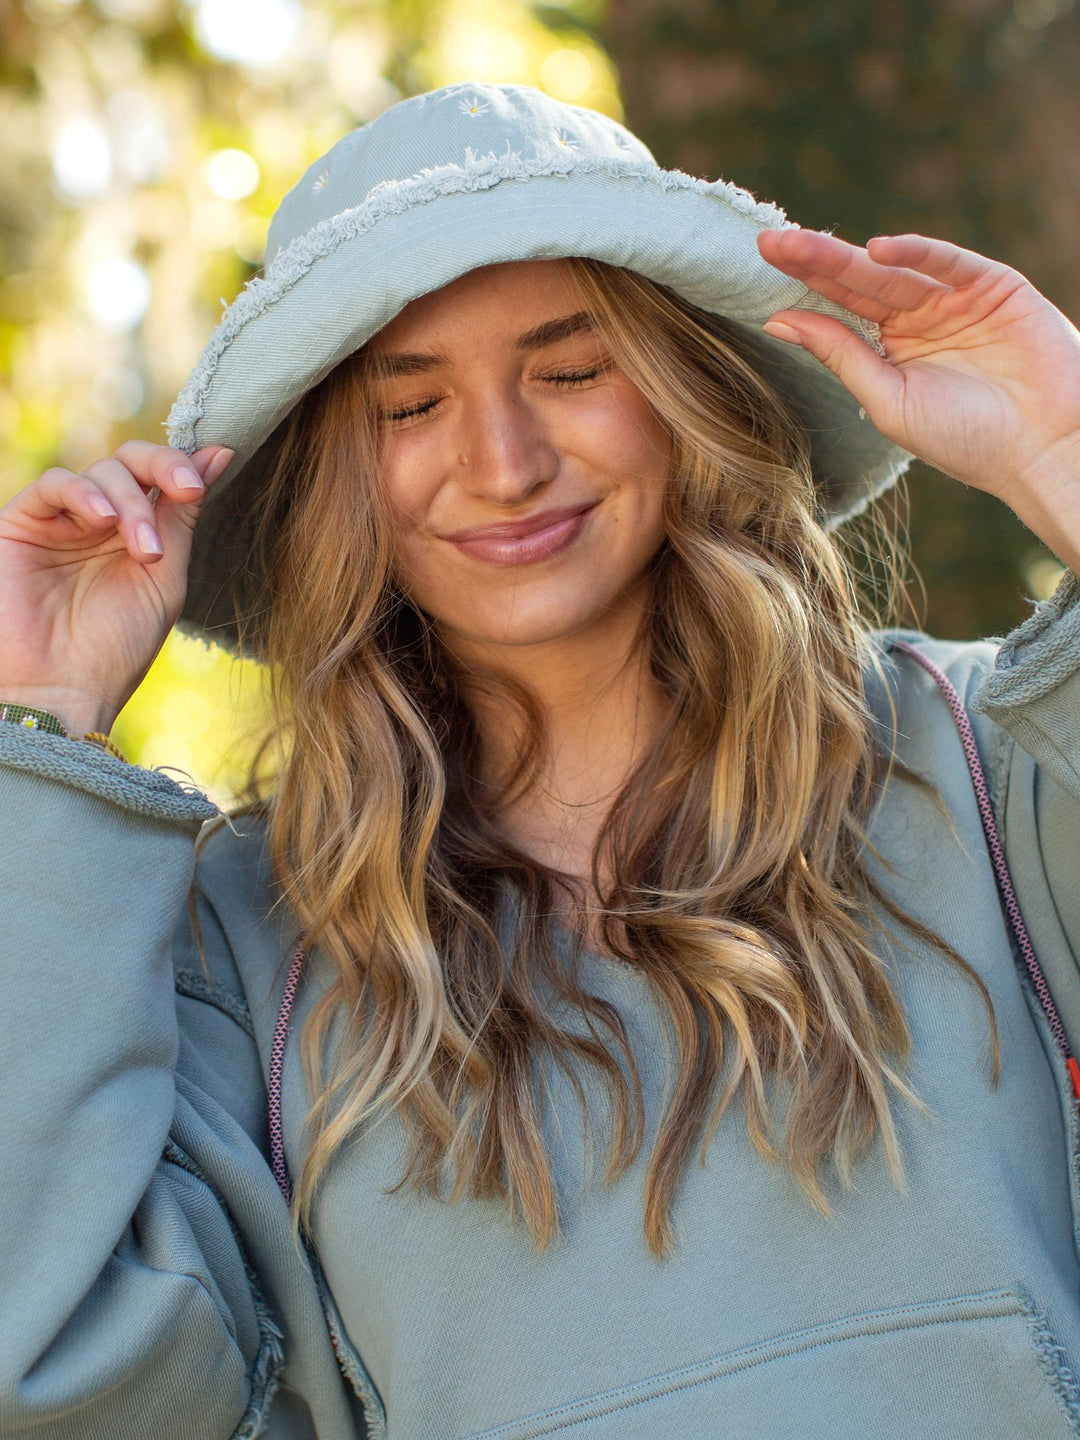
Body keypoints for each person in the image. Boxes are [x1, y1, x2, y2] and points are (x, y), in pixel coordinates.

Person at [1, 81, 1079, 1440]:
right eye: (409, 407)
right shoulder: (239, 955)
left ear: (688, 395)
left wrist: (1068, 454)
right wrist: (38, 730)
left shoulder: (1002, 774)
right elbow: (57, 1377)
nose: (502, 463)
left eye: (571, 372)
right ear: (336, 473)